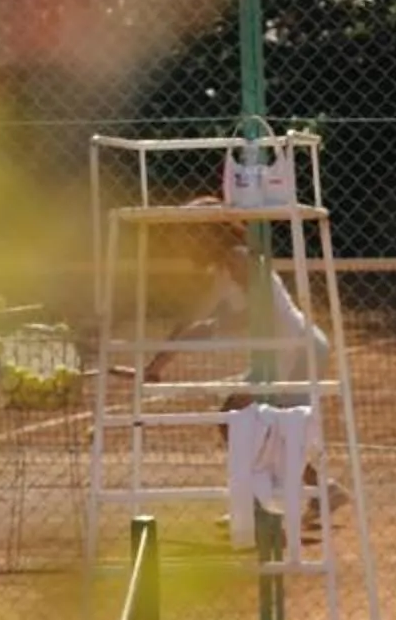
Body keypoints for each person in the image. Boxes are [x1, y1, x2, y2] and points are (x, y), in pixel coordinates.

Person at [143, 204, 348, 527]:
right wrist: (156, 363)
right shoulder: (223, 269)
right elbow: (193, 319)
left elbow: (259, 309)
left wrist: (218, 326)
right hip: (277, 350)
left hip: (293, 349)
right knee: (249, 422)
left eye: (190, 231)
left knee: (245, 418)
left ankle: (259, 505)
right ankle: (320, 491)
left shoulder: (238, 257)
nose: (184, 239)